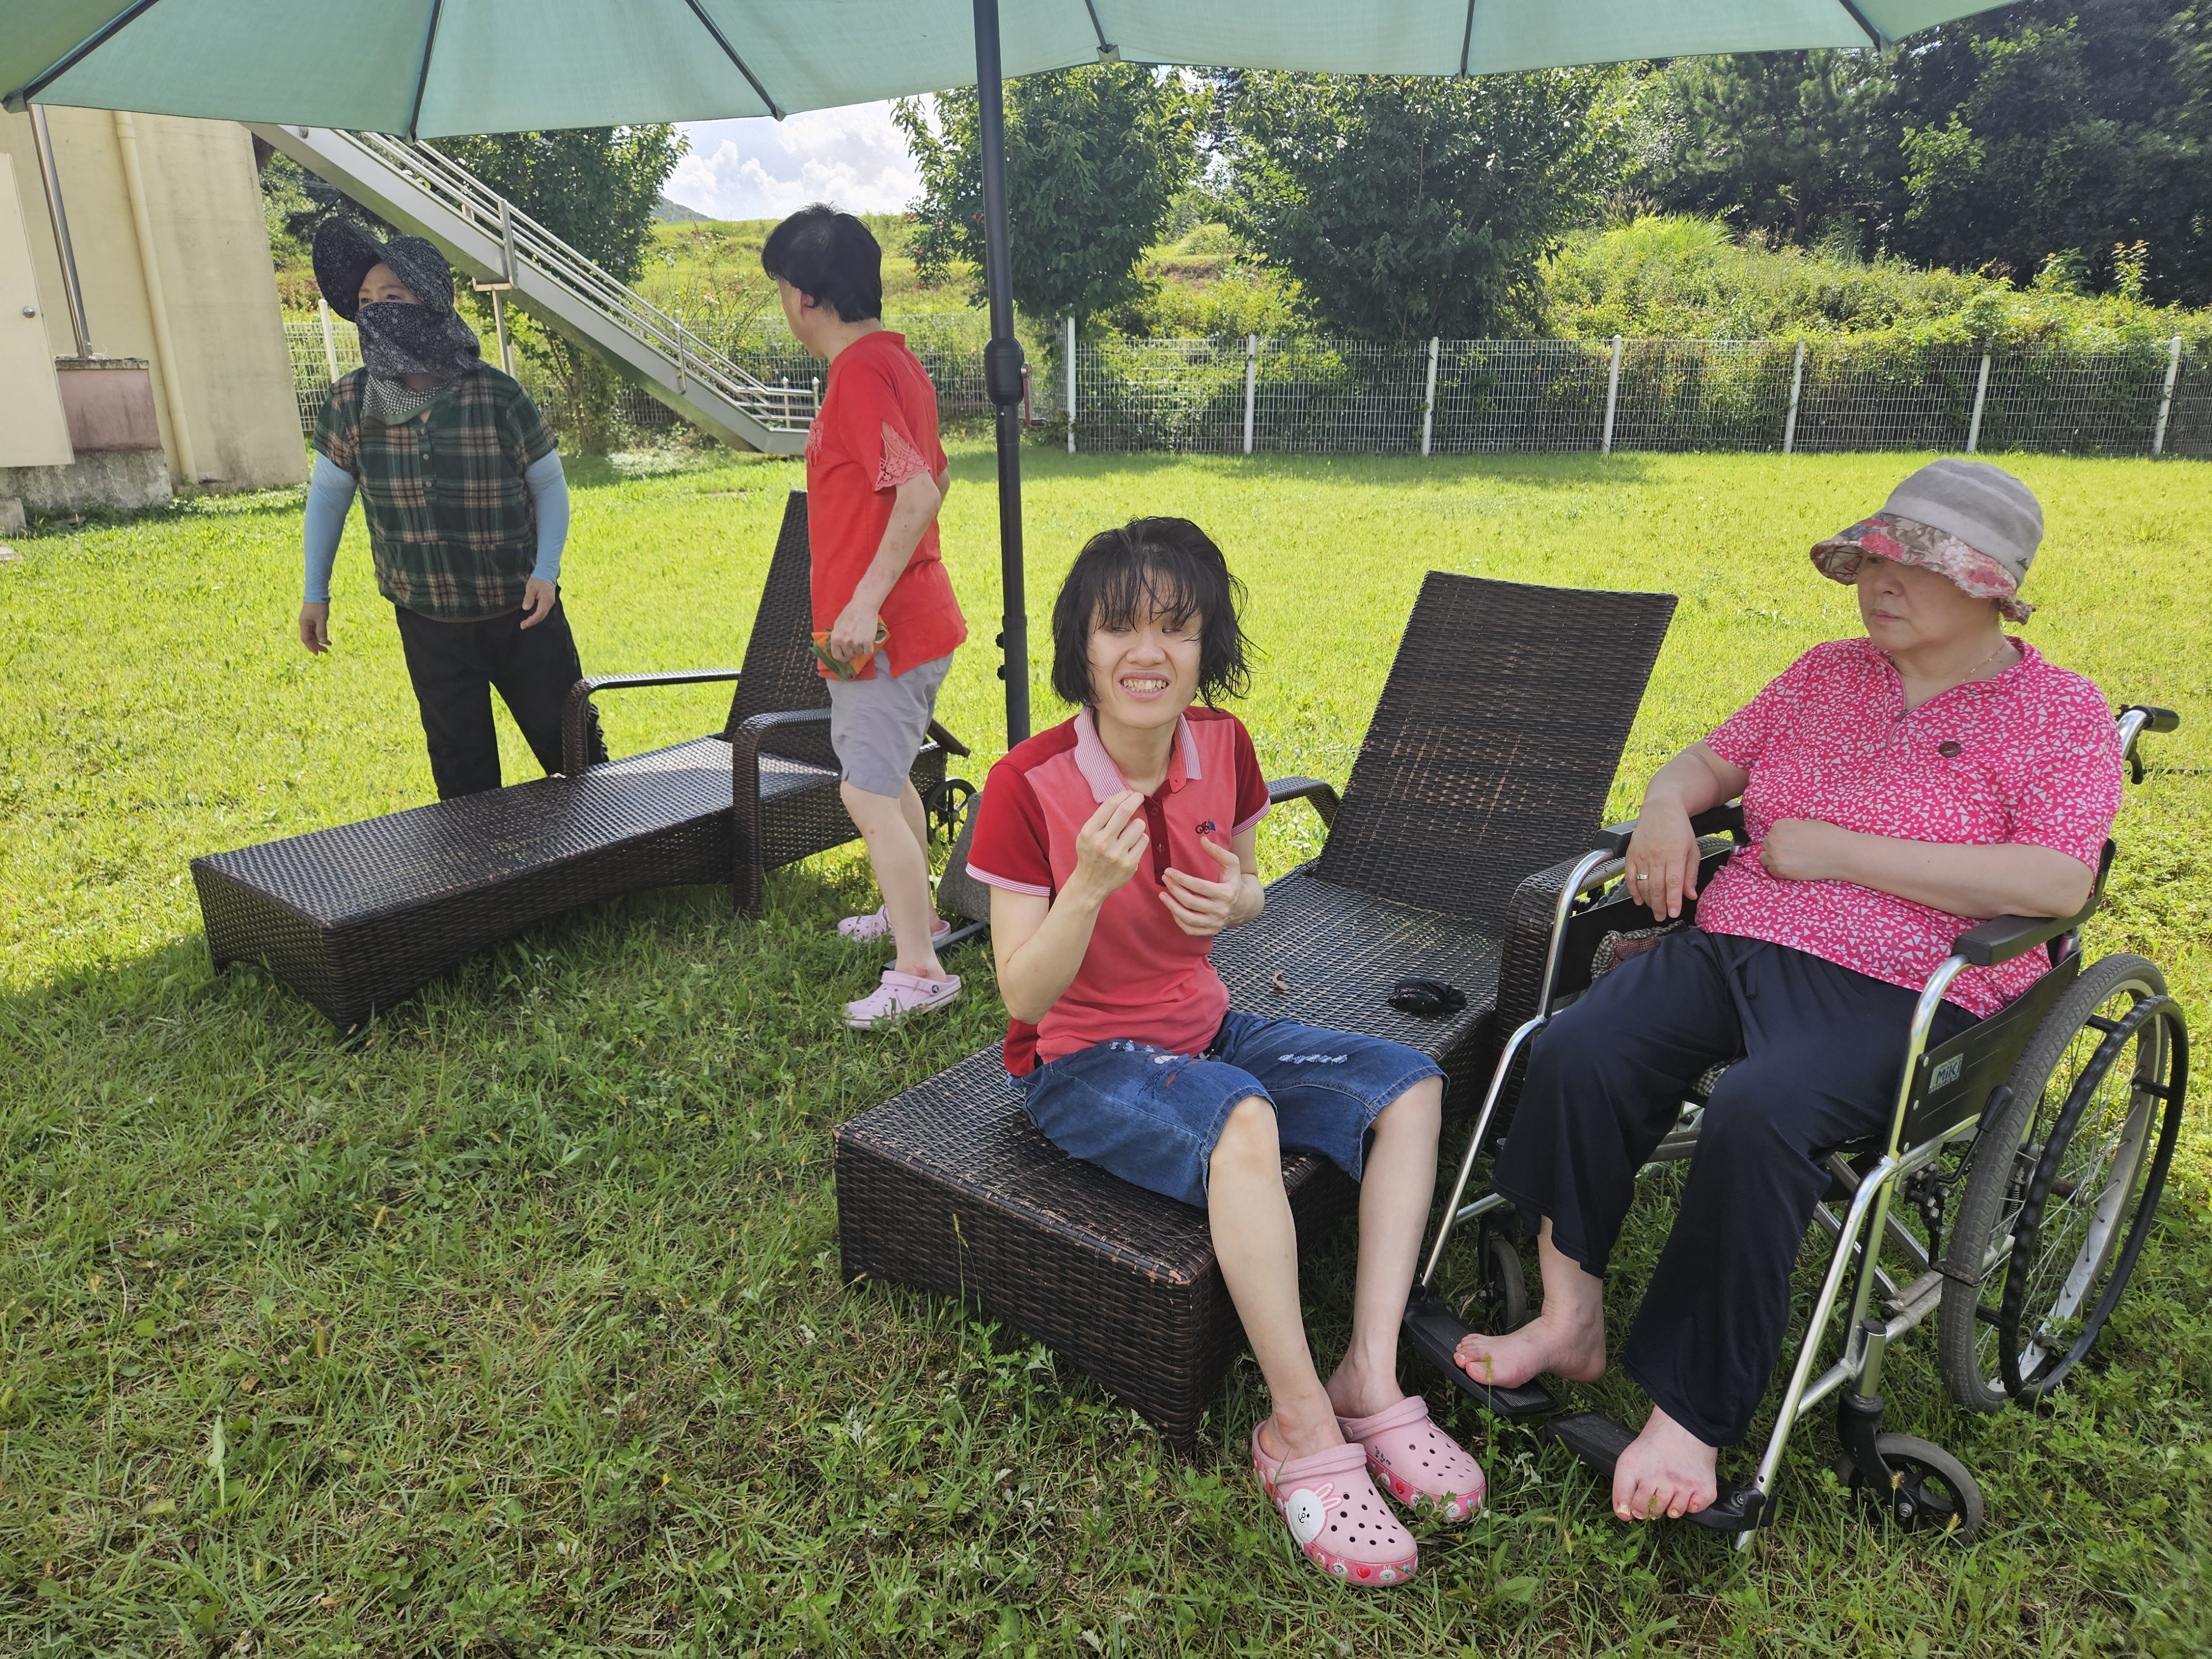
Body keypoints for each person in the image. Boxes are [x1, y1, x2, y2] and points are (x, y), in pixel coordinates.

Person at [1455, 459, 2123, 1524]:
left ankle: (1691, 1415)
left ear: (1990, 588)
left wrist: (1838, 853)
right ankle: (1571, 1318)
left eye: (1912, 568)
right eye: (1871, 561)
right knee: (1581, 1045)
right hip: (1737, 940)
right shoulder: (1825, 674)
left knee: (1760, 1109)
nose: (1879, 582)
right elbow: (1706, 764)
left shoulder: (2057, 712)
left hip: (1906, 982)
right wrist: (1666, 809)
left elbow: (2056, 882)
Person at [964, 518, 1483, 1587]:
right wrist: (1087, 891)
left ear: (1208, 645)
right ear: (1081, 647)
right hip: (1079, 1060)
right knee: (1241, 1117)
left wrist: (1241, 903)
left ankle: (1368, 1375)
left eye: (1177, 626)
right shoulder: (1029, 783)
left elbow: (1244, 883)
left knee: (1409, 1088)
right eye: (1119, 627)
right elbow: (1021, 995)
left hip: (1205, 1028)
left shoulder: (1225, 745)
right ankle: (1298, 1427)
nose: (1147, 652)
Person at [297, 219, 594, 800]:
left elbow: (549, 486)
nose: (377, 311)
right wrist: (316, 592)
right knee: (461, 773)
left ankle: (609, 849)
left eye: (393, 296)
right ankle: (480, 861)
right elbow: (328, 498)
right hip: (427, 620)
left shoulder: (496, 394)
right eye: (366, 302)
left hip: (522, 614)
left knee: (572, 752)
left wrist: (547, 572)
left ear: (431, 302)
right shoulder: (350, 401)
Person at [761, 205, 968, 1031]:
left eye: (781, 289)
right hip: (902, 623)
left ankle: (920, 971)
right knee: (887, 776)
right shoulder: (898, 365)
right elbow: (937, 479)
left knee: (866, 793)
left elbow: (916, 493)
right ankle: (916, 917)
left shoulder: (857, 375)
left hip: (887, 631)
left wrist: (863, 600)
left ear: (804, 295)